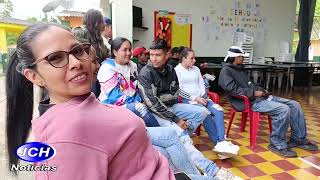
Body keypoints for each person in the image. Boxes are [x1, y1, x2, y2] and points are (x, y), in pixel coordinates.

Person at [5, 23, 177, 180]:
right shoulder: (68, 137)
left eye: (78, 51)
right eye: (56, 58)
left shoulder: (81, 102)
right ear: (34, 76)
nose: (76, 63)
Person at [138, 39, 241, 179]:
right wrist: (176, 119)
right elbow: (152, 103)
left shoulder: (170, 69)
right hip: (156, 113)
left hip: (171, 106)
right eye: (152, 55)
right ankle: (213, 171)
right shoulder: (146, 73)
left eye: (158, 55)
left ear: (167, 54)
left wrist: (162, 98)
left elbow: (174, 93)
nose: (154, 58)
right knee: (182, 137)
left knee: (203, 112)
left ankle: (185, 135)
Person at [218, 46, 318, 157]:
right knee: (283, 109)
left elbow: (250, 85)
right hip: (250, 102)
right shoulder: (226, 71)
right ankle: (277, 143)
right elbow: (232, 89)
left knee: (295, 105)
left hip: (260, 98)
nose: (244, 59)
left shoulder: (240, 69)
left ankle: (298, 138)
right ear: (235, 58)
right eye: (242, 56)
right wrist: (255, 93)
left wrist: (261, 90)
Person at [175, 47, 240, 159]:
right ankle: (219, 144)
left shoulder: (196, 69)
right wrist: (196, 98)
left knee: (219, 110)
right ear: (184, 58)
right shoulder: (177, 70)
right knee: (206, 114)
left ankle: (221, 142)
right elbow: (179, 91)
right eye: (192, 58)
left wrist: (203, 96)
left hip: (202, 99)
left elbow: (202, 84)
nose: (194, 60)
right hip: (189, 101)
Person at [97, 37, 159, 127]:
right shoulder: (107, 68)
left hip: (133, 103)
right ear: (115, 52)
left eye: (130, 50)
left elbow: (137, 87)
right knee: (140, 108)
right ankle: (160, 131)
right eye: (125, 50)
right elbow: (114, 97)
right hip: (112, 105)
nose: (128, 53)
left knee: (149, 105)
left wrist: (140, 100)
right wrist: (136, 103)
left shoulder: (132, 65)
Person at [73, 9, 109, 97]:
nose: (104, 24)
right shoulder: (81, 33)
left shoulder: (99, 37)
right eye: (102, 21)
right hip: (87, 75)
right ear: (96, 22)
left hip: (97, 74)